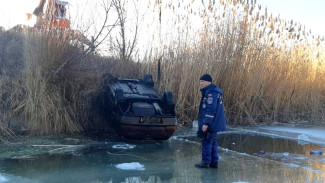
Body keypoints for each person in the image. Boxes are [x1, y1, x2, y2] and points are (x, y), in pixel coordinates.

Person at [195, 74, 226, 168]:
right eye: (200, 81)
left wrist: (206, 123)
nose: (201, 83)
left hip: (211, 123)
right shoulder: (214, 91)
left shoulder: (210, 93)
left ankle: (205, 162)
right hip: (215, 122)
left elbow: (210, 109)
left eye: (202, 81)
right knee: (213, 141)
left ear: (208, 82)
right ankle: (214, 161)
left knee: (207, 141)